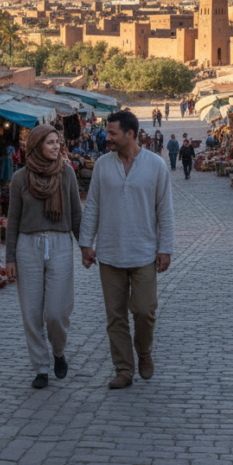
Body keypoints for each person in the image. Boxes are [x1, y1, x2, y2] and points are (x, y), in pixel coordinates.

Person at [80, 110, 175, 389]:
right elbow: (93, 206)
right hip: (109, 254)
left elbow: (165, 211)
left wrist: (165, 248)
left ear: (130, 134)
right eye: (107, 133)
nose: (106, 138)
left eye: (112, 133)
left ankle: (144, 353)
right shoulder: (102, 166)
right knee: (115, 317)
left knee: (145, 310)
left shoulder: (156, 166)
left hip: (144, 252)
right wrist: (86, 243)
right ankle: (123, 368)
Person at [6, 125, 82, 389]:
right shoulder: (19, 178)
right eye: (49, 142)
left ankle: (58, 352)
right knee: (31, 313)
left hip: (60, 243)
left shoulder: (67, 174)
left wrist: (86, 248)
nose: (55, 147)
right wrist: (10, 259)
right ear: (37, 145)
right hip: (28, 246)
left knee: (57, 313)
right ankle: (40, 367)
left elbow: (75, 215)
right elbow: (13, 220)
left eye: (57, 142)